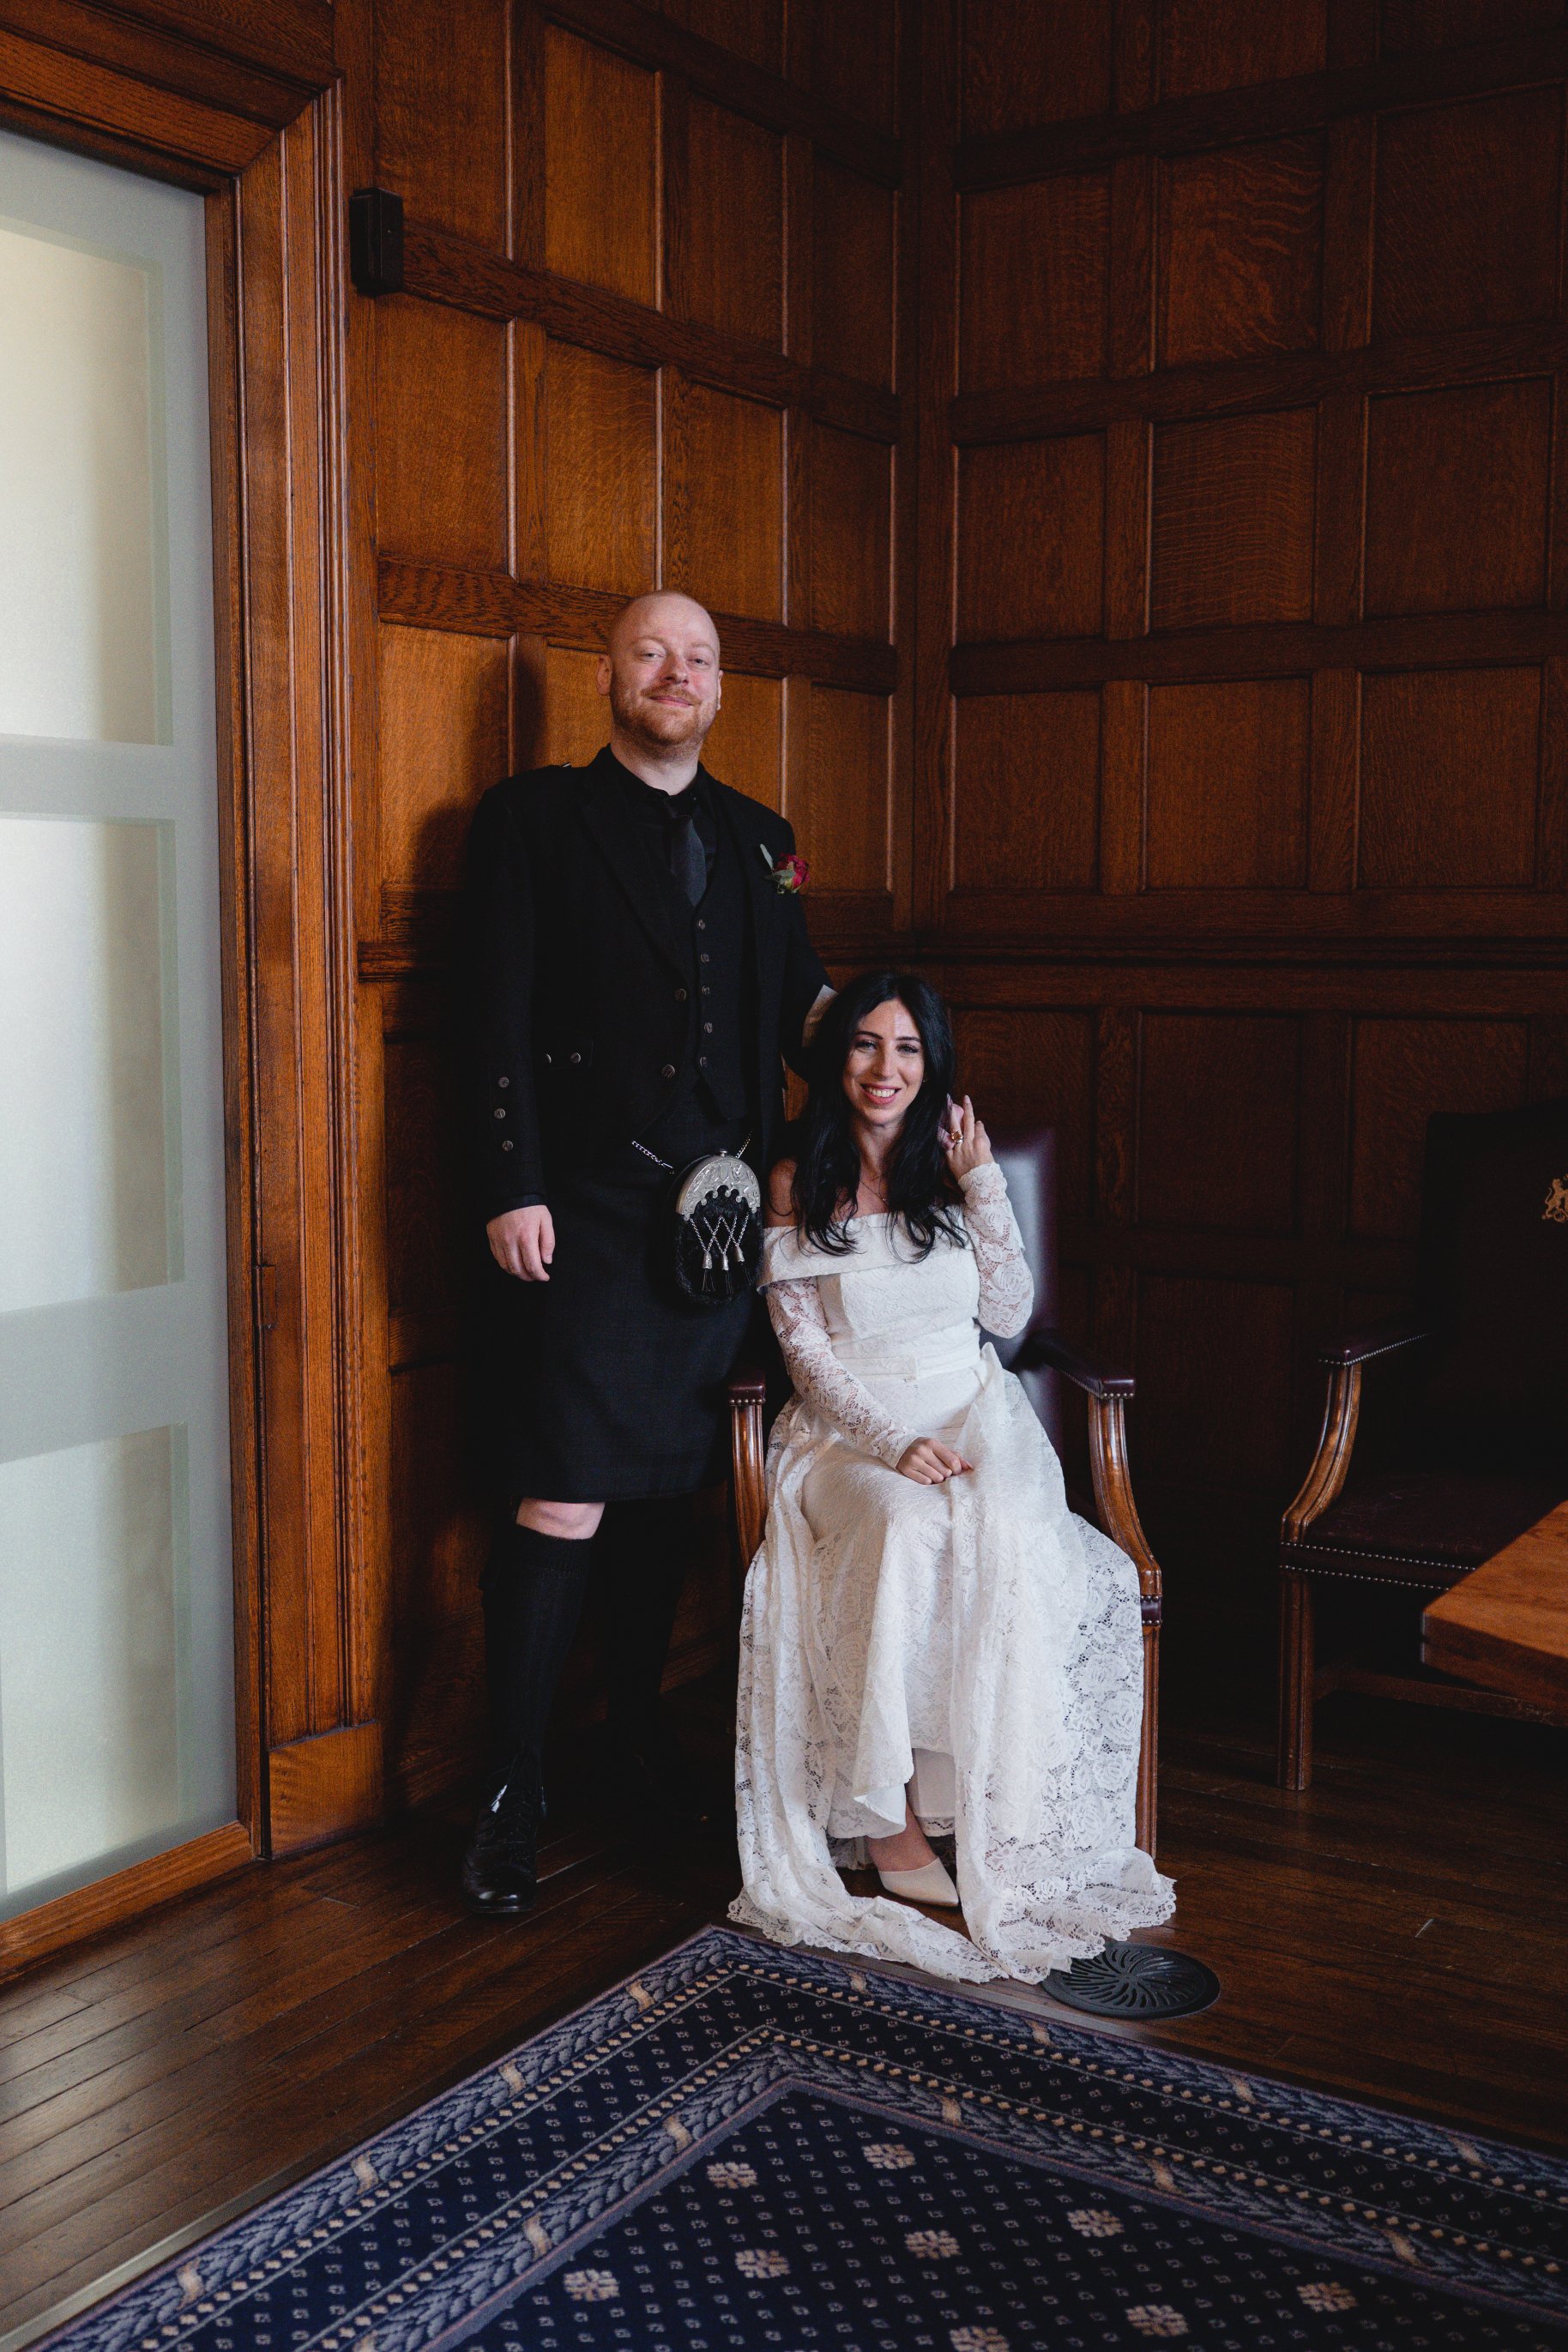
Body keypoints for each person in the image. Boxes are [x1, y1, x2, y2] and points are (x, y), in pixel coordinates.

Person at [459, 591, 830, 1918]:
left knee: (670, 1493)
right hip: (589, 1213)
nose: (678, 674)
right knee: (564, 1492)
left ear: (722, 689)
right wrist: (512, 1183)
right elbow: (491, 1011)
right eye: (652, 654)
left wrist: (892, 1054)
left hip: (720, 1229)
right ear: (610, 675)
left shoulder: (766, 842)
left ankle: (631, 1743)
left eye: (700, 658)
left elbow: (803, 1006)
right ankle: (510, 1793)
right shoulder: (533, 821)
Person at [732, 972, 1174, 1982]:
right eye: (865, 1045)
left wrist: (983, 1184)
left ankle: (987, 1800)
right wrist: (890, 1442)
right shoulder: (795, 1178)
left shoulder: (951, 1167)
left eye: (907, 1049)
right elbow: (806, 1354)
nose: (884, 1069)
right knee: (904, 1525)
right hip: (848, 1435)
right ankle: (887, 1826)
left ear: (930, 1066)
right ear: (835, 1057)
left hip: (972, 1409)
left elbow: (1009, 1315)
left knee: (1007, 1535)